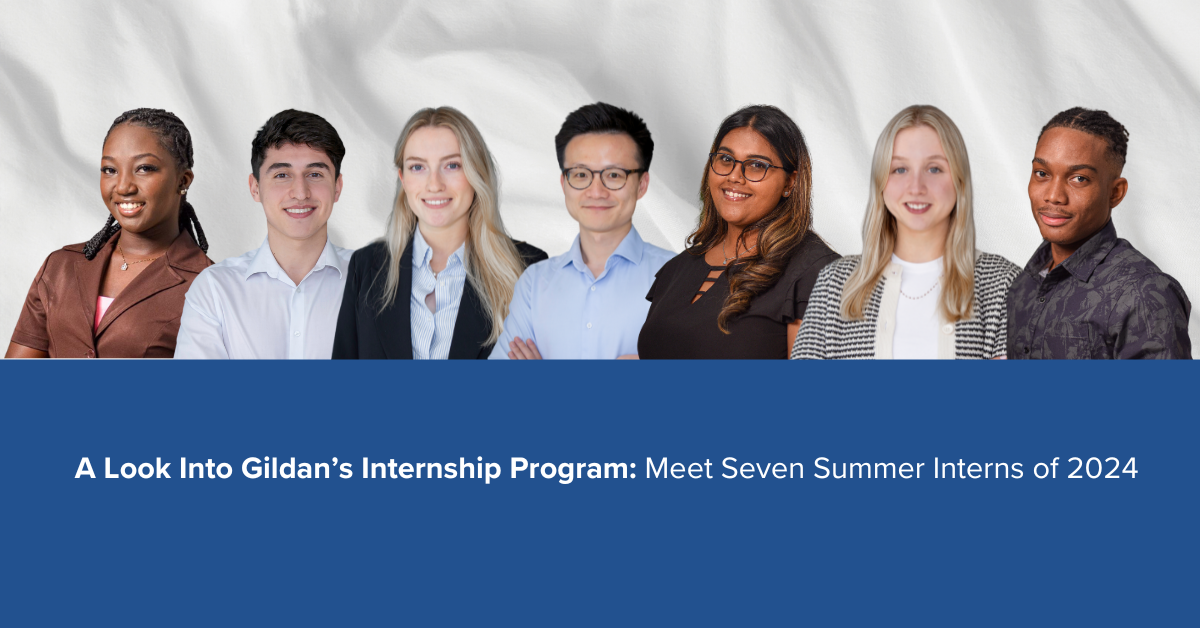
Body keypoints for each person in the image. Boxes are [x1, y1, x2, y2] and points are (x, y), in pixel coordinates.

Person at [791, 105, 1019, 360]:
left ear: (959, 180)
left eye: (934, 168)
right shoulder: (835, 284)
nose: (916, 187)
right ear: (881, 182)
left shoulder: (1004, 283)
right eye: (900, 169)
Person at [333, 107, 547, 359]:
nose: (434, 184)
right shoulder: (367, 267)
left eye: (452, 165)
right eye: (417, 167)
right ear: (403, 178)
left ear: (476, 173)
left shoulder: (528, 270)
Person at [637, 105, 838, 359]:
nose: (734, 176)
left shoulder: (816, 273)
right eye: (725, 159)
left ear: (790, 182)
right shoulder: (678, 268)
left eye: (756, 165)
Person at [7, 108, 211, 359]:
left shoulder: (209, 287)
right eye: (110, 170)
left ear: (183, 180)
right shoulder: (60, 267)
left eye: (144, 168)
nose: (123, 186)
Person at [490, 102, 673, 360]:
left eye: (614, 175)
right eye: (580, 174)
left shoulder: (677, 279)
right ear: (564, 183)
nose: (596, 191)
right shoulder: (534, 283)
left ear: (641, 184)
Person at [1008, 107, 1191, 359]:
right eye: (1042, 173)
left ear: (1115, 193)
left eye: (1079, 179)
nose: (1053, 196)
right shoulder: (1023, 283)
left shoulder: (1143, 293)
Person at [174, 110, 351, 359]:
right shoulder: (214, 290)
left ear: (337, 187)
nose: (300, 192)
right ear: (255, 188)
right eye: (282, 175)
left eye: (315, 174)